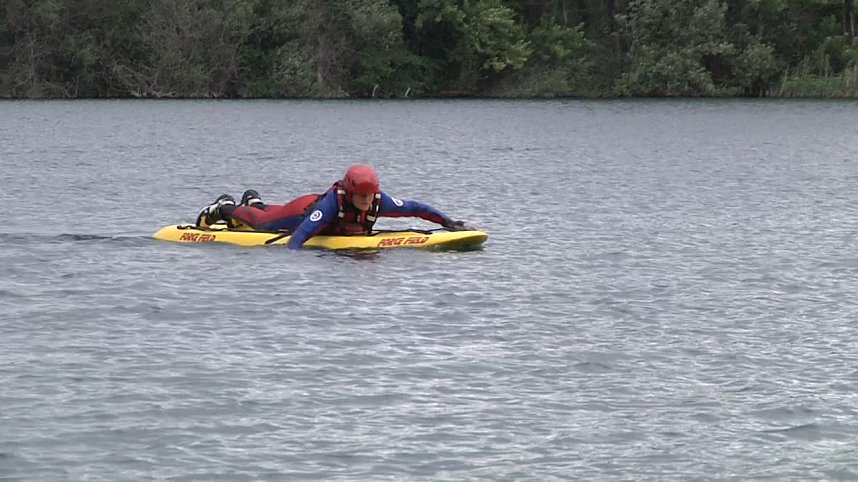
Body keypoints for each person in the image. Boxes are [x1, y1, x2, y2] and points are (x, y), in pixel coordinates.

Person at [195, 164, 475, 249]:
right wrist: (288, 259)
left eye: (370, 195)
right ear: (350, 192)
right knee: (264, 222)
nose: (366, 200)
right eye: (361, 195)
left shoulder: (378, 200)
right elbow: (301, 235)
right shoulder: (332, 205)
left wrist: (449, 223)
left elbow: (416, 208)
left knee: (266, 212)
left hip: (308, 210)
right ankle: (224, 207)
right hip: (303, 212)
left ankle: (253, 200)